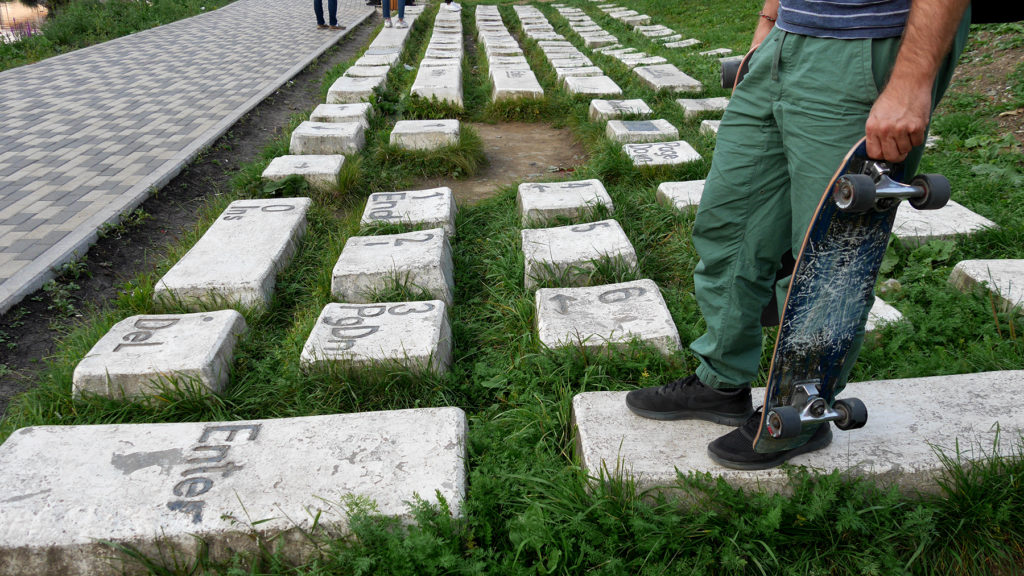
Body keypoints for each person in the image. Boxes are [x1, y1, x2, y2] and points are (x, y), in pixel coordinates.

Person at [625, 0, 972, 470]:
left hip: (866, 44)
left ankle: (798, 414)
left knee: (825, 256)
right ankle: (721, 382)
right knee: (730, 227)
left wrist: (911, 81)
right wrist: (769, 22)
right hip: (786, 40)